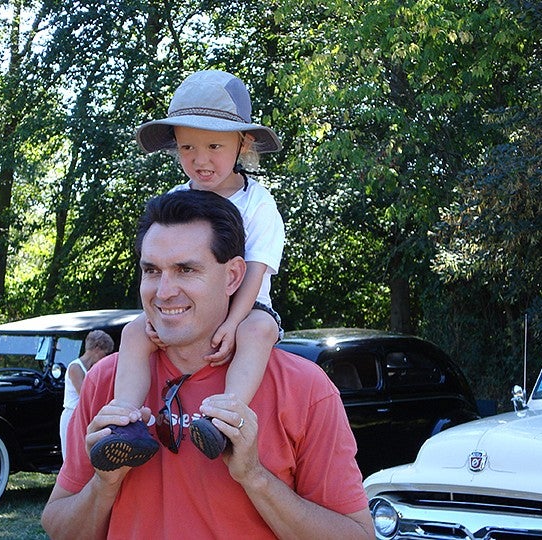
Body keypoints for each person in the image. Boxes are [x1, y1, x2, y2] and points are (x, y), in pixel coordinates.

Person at [41, 189, 374, 539]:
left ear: (233, 276)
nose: (164, 290)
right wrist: (104, 483)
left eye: (186, 270)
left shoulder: (304, 387)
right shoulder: (106, 380)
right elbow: (59, 529)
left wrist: (255, 477)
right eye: (151, 270)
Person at [90, 69, 286, 470]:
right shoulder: (175, 199)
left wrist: (231, 323)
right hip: (184, 311)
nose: (200, 159)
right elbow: (158, 267)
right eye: (187, 148)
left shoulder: (259, 204)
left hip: (246, 307)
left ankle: (223, 416)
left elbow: (255, 271)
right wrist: (154, 316)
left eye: (214, 145)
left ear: (243, 143)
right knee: (132, 333)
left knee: (259, 332)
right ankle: (125, 419)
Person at [59, 329, 114, 460]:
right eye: (104, 354)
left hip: (85, 415)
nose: (104, 358)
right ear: (96, 348)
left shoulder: (92, 369)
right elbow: (86, 395)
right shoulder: (75, 367)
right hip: (72, 415)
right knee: (71, 456)